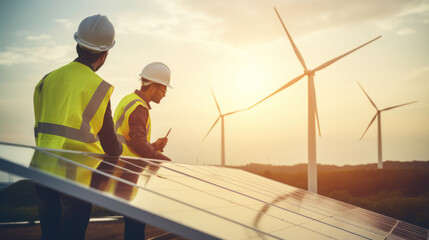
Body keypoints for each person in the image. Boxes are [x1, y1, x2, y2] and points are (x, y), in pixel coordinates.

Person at [32, 14, 122, 240]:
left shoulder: (47, 79)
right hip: (76, 176)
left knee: (49, 236)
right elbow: (110, 144)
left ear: (77, 44)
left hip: (42, 168)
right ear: (105, 54)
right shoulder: (98, 87)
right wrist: (119, 155)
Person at [113, 62, 172, 239]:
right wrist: (164, 161)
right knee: (135, 228)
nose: (165, 94)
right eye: (163, 89)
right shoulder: (139, 107)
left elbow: (132, 141)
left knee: (133, 226)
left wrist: (153, 146)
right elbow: (138, 142)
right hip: (129, 173)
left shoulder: (128, 100)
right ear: (153, 86)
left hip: (122, 168)